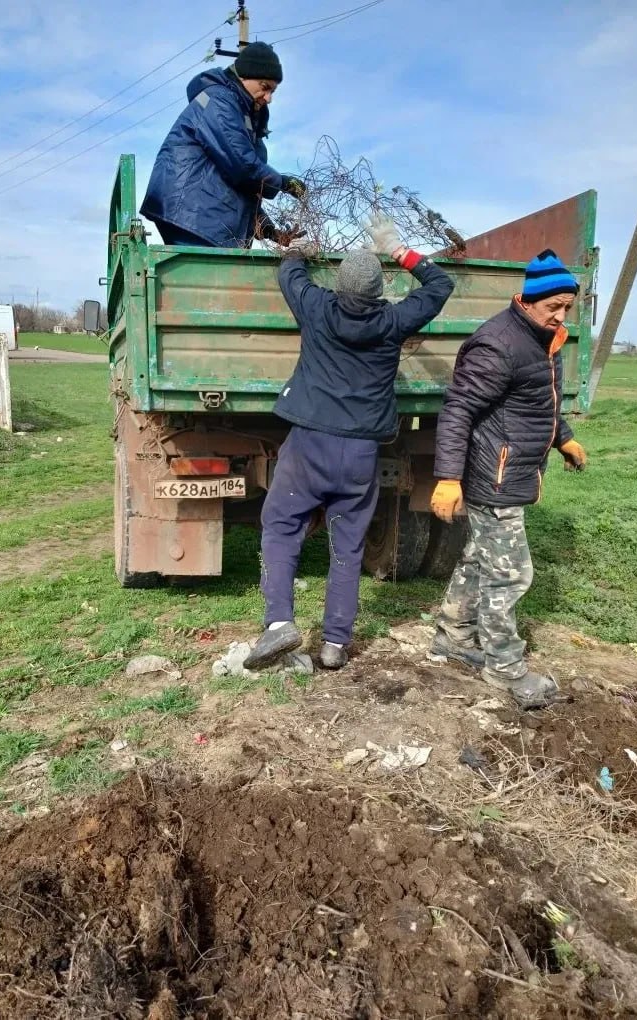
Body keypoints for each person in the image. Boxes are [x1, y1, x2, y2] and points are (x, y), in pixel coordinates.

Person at [243, 219, 455, 670]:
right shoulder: (394, 320)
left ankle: (279, 623)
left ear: (339, 286)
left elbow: (289, 273)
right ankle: (334, 645)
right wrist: (398, 250)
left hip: (308, 446)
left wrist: (299, 248)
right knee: (347, 546)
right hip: (360, 454)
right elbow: (440, 285)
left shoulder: (317, 307)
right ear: (379, 292)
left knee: (281, 527)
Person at [427, 249, 588, 709]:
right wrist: (447, 478)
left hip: (512, 469)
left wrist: (565, 439)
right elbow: (458, 410)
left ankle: (454, 637)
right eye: (552, 306)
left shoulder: (543, 338)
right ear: (528, 300)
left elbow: (540, 400)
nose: (560, 316)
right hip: (492, 475)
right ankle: (504, 667)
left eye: (566, 308)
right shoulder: (499, 343)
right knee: (511, 574)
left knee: (480, 560)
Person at [140, 41, 305, 248]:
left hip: (204, 216)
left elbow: (241, 187)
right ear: (245, 75)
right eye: (265, 87)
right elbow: (242, 166)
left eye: (274, 91)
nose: (269, 98)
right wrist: (283, 183)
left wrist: (270, 231)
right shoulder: (219, 100)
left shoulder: (242, 112)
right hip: (194, 214)